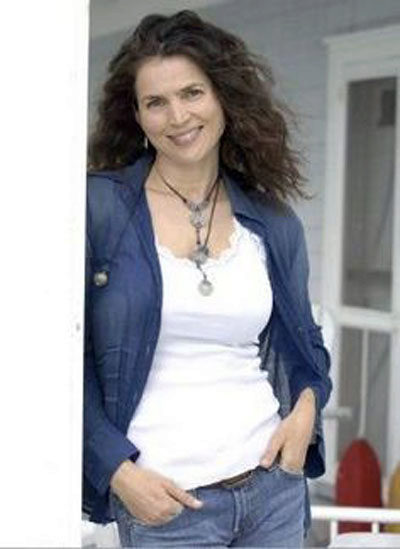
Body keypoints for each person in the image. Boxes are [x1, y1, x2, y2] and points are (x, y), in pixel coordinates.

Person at [84, 9, 332, 547]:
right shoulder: (99, 208)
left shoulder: (271, 220)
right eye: (156, 102)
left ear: (223, 96)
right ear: (137, 115)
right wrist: (117, 470)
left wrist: (306, 410)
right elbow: (54, 360)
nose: (178, 116)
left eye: (192, 93)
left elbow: (307, 344)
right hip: (166, 504)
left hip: (272, 492)